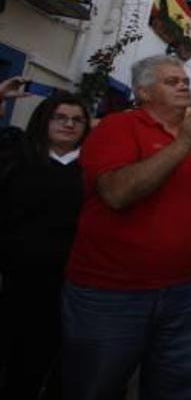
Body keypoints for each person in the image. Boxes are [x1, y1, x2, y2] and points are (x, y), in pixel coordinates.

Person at [61, 55, 191, 400]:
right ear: (144, 92)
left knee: (175, 388)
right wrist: (183, 144)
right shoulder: (119, 127)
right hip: (111, 294)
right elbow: (117, 193)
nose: (183, 85)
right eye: (171, 81)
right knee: (94, 386)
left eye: (185, 81)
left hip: (184, 293)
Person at [0, 92, 91, 399]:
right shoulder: (17, 157)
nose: (69, 125)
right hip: (19, 279)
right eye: (60, 117)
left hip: (73, 282)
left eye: (77, 120)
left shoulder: (92, 170)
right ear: (44, 120)